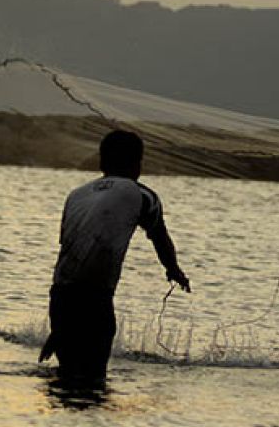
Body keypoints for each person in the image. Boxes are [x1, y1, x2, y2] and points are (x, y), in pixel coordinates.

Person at [39, 130, 190, 381]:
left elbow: (69, 245)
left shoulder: (77, 194)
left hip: (60, 296)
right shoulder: (140, 194)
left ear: (101, 160)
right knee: (94, 377)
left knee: (67, 378)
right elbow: (159, 236)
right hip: (94, 297)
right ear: (137, 163)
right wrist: (173, 270)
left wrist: (62, 328)